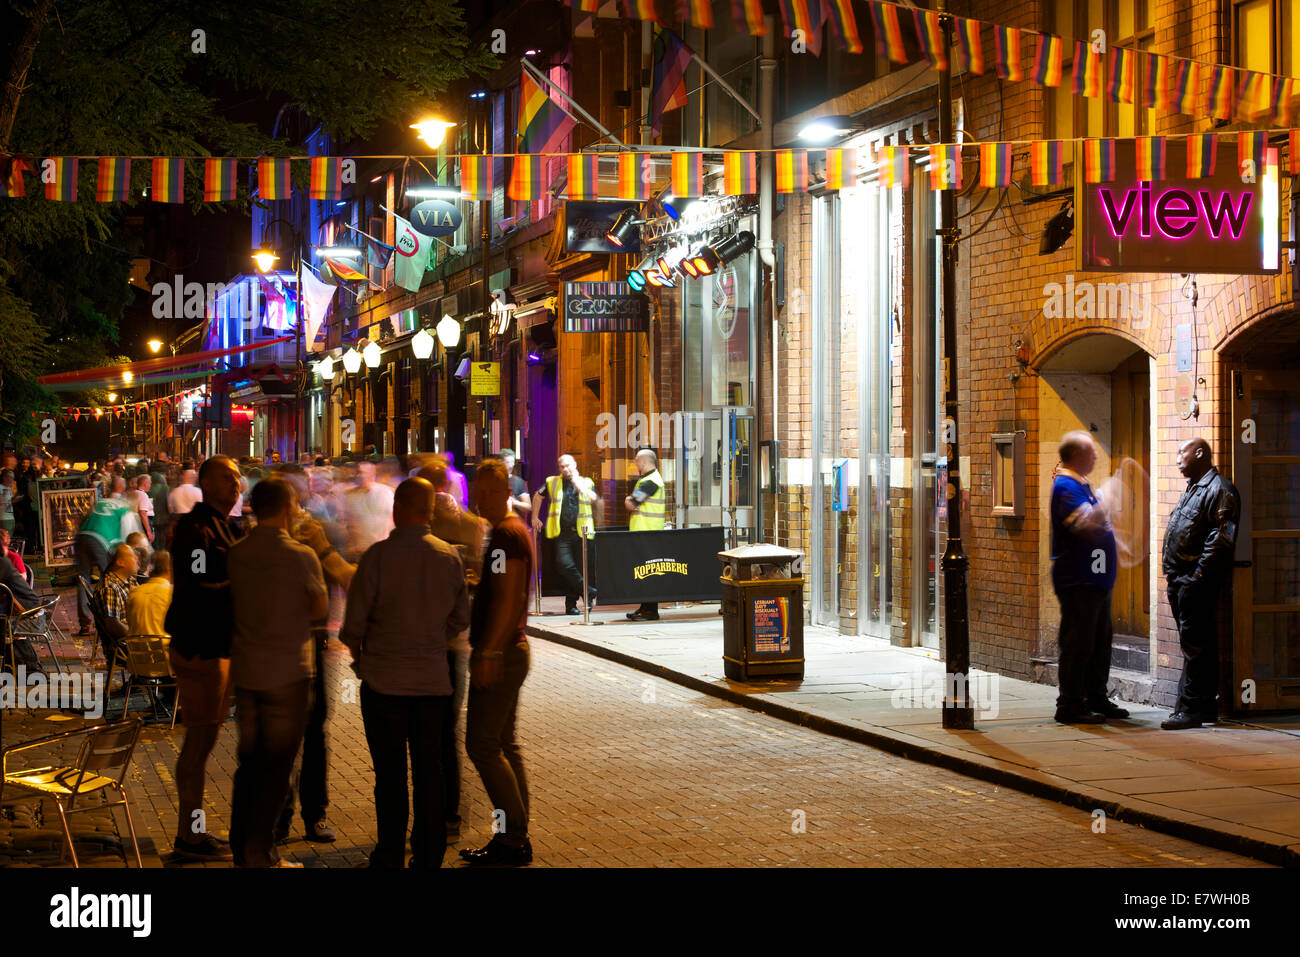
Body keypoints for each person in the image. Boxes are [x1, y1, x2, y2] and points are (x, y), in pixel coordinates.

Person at [340, 478, 469, 867]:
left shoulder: (378, 558)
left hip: (384, 683)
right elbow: (461, 619)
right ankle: (429, 853)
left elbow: (354, 626)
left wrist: (363, 659)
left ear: (397, 509)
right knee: (430, 771)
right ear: (429, 511)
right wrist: (431, 637)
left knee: (390, 775)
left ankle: (390, 851)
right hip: (431, 683)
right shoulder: (449, 557)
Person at [226, 478, 328, 868]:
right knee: (278, 765)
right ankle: (261, 851)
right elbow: (319, 609)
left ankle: (243, 846)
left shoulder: (238, 554)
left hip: (249, 671)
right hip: (288, 670)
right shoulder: (300, 555)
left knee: (250, 761)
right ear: (287, 508)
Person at [165, 455, 243, 861]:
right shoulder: (199, 529)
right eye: (229, 479)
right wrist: (243, 580)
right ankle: (189, 835)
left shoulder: (220, 525)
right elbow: (201, 584)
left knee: (204, 739)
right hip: (203, 646)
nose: (237, 486)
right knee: (200, 740)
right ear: (208, 484)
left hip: (215, 644)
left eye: (238, 479)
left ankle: (191, 832)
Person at [274, 467, 356, 845]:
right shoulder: (257, 542)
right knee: (279, 738)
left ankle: (312, 815)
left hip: (312, 645)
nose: (299, 506)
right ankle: (279, 816)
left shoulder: (315, 532)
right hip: (275, 651)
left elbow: (343, 576)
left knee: (313, 733)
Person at [460, 458, 534, 867]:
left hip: (502, 653)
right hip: (509, 650)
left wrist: (489, 651)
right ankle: (514, 836)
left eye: (489, 491)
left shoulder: (506, 535)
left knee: (482, 745)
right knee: (505, 744)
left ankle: (512, 838)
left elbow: (509, 598)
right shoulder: (504, 535)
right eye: (478, 490)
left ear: (507, 491)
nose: (481, 497)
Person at [1160, 438, 1240, 730]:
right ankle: (1202, 705)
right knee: (1193, 644)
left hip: (1195, 582)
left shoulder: (1220, 490)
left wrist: (1197, 579)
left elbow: (1220, 541)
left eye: (1182, 452)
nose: (1178, 457)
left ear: (1200, 453)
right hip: (1181, 579)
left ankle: (1192, 709)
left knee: (1196, 646)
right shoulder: (1195, 487)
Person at [1048, 432, 1125, 725]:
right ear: (1078, 456)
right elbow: (1086, 524)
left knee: (1099, 640)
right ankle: (1070, 704)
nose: (1095, 457)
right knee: (1078, 642)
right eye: (1091, 453)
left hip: (1095, 579)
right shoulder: (1066, 486)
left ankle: (1095, 697)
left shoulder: (1080, 484)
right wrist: (1108, 499)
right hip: (1079, 579)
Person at [533, 454, 597, 615]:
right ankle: (588, 591)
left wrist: (578, 484)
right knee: (564, 565)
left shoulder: (586, 481)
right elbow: (538, 496)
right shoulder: (552, 482)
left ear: (575, 464)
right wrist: (534, 516)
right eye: (562, 466)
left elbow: (593, 498)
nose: (565, 469)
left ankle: (571, 605)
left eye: (568, 465)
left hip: (582, 532)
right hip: (562, 533)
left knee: (579, 568)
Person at [72, 495, 137, 636]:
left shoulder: (103, 502)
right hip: (101, 540)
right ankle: (107, 620)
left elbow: (84, 518)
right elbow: (129, 537)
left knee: (83, 580)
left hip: (82, 536)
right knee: (110, 580)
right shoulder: (125, 509)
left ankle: (84, 624)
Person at [624, 448, 667, 622]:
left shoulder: (650, 482)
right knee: (645, 572)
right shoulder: (650, 480)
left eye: (636, 460)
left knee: (648, 573)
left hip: (647, 533)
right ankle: (645, 608)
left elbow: (631, 503)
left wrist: (629, 500)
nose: (635, 464)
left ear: (643, 461)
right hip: (647, 532)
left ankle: (650, 610)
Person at [92, 543, 139, 667]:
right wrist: (137, 635)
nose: (137, 558)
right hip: (126, 648)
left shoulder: (129, 580)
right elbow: (113, 624)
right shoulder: (110, 588)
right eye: (133, 556)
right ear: (121, 562)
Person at [342, 461, 395, 561]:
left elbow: (389, 519)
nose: (357, 475)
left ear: (372, 474)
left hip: (379, 548)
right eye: (357, 472)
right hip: (359, 550)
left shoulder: (384, 492)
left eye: (361, 472)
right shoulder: (350, 495)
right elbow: (349, 522)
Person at [126, 551, 172, 637]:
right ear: (169, 569)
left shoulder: (134, 592)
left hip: (135, 649)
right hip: (163, 649)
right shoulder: (171, 593)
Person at [500, 449, 531, 519]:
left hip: (513, 522)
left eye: (512, 462)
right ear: (500, 462)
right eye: (508, 462)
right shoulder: (493, 480)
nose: (511, 465)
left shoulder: (519, 482)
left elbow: (528, 507)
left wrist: (515, 503)